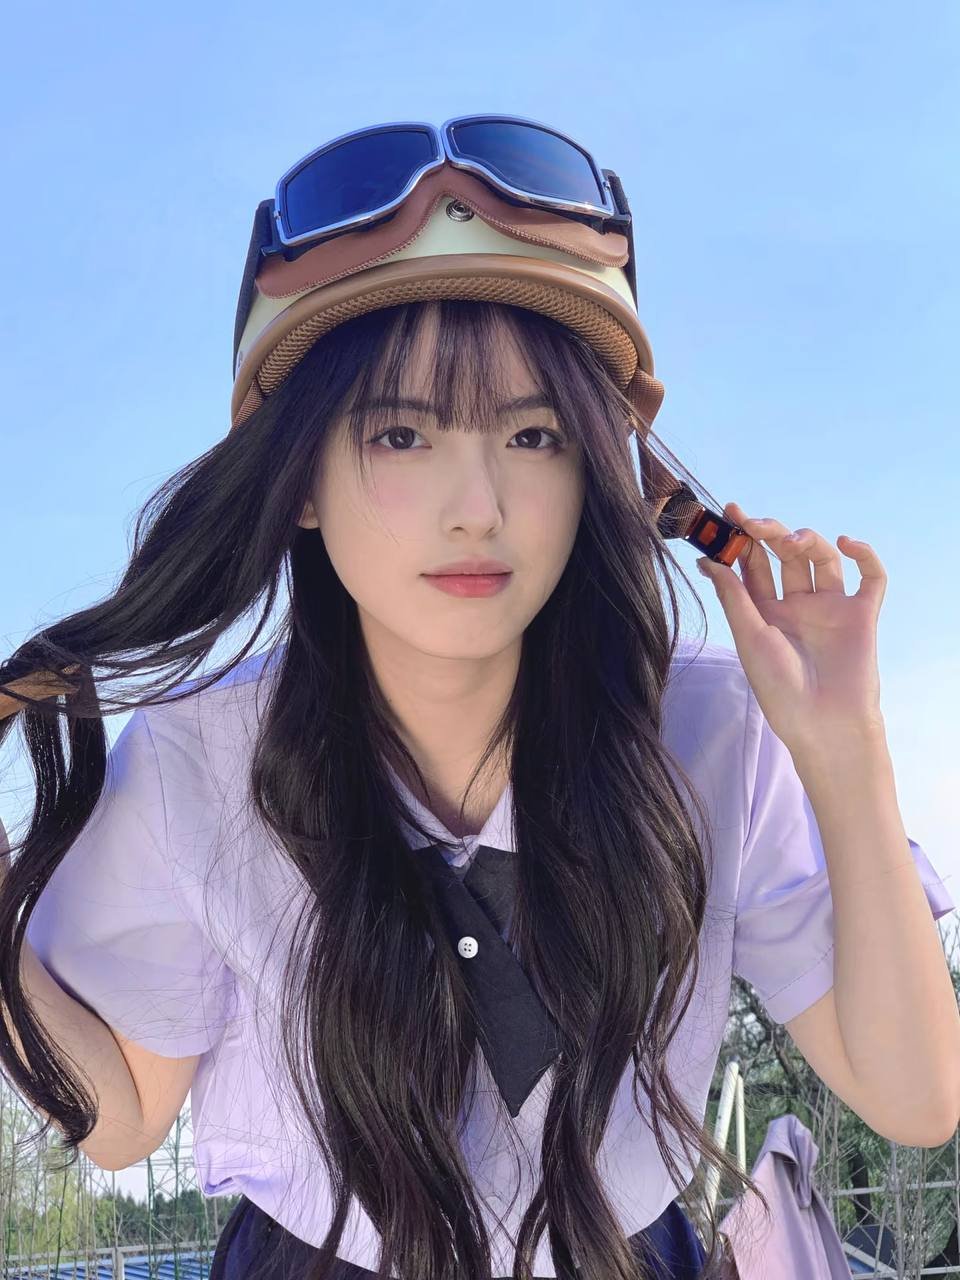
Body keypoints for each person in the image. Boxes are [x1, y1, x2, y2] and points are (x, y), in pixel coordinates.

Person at [0, 116, 954, 1280]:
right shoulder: (199, 754)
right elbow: (125, 1117)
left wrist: (844, 746)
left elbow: (915, 1096)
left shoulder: (710, 731)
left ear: (598, 466)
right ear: (299, 481)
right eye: (402, 432)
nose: (477, 507)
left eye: (533, 433)